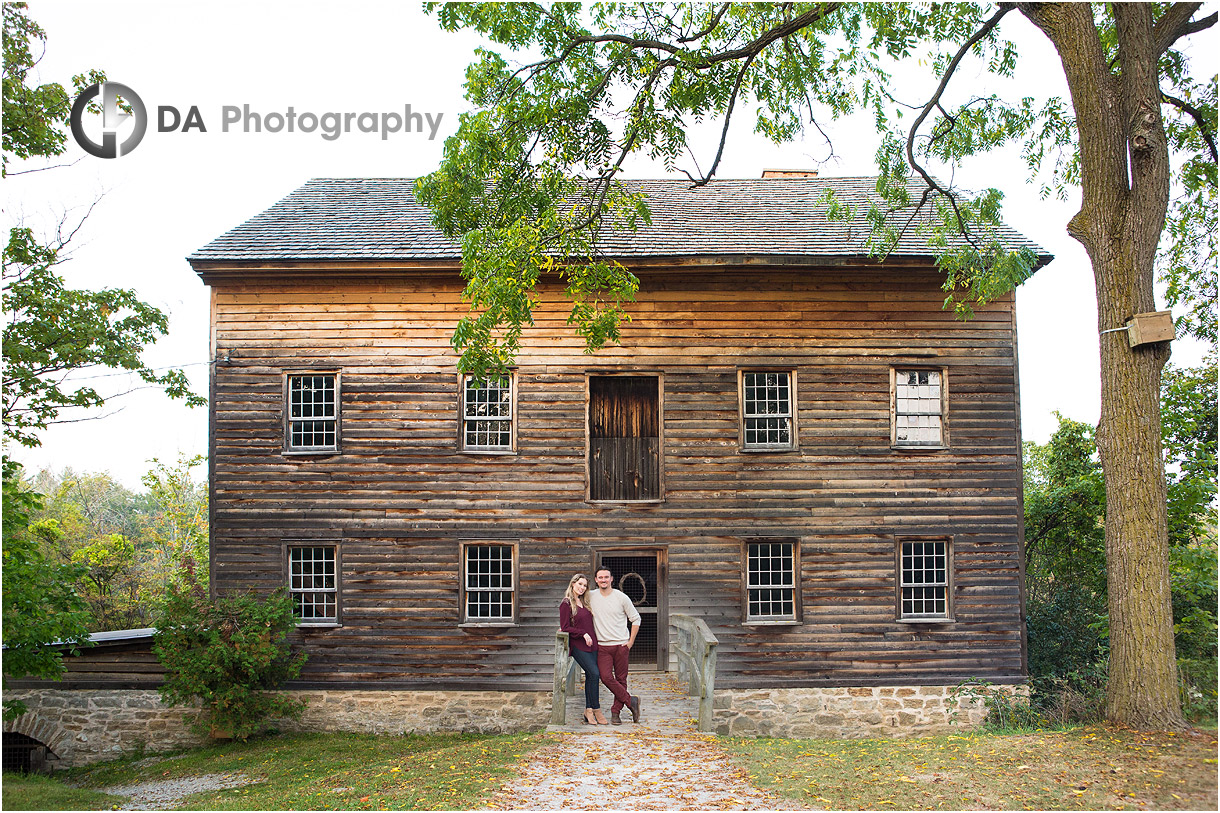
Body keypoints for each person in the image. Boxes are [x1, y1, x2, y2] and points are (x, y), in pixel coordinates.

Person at [588, 567, 642, 725]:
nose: (603, 580)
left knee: (621, 678)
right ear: (596, 580)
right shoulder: (590, 596)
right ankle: (630, 701)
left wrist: (630, 641)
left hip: (621, 645)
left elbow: (636, 619)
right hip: (602, 646)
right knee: (605, 677)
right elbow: (574, 604)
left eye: (606, 577)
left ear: (611, 579)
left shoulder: (621, 597)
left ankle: (615, 712)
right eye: (600, 577)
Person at [559, 573, 608, 725]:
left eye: (585, 586)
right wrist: (583, 633)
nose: (582, 588)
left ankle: (589, 710)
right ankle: (597, 709)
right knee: (595, 673)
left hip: (592, 644)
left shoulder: (584, 602)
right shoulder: (566, 603)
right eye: (579, 584)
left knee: (591, 676)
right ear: (573, 584)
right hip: (578, 645)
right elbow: (565, 627)